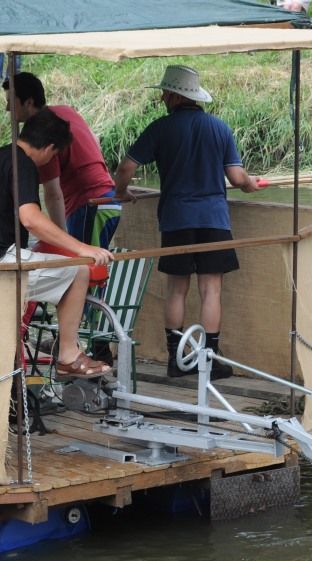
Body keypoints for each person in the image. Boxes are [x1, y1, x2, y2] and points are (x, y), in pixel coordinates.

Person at [112, 65, 260, 380]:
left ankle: (176, 360)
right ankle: (209, 360)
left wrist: (121, 192)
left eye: (165, 93)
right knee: (211, 291)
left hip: (176, 218)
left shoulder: (160, 129)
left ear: (174, 96)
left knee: (177, 289)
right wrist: (251, 184)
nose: (163, 97)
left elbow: (125, 168)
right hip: (213, 219)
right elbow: (236, 178)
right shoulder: (219, 128)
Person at [0, 108, 114, 379]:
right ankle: (69, 355)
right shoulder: (22, 163)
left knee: (64, 267)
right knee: (79, 270)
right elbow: (31, 218)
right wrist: (81, 248)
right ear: (50, 148)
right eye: (54, 155)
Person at [3, 72, 119, 362]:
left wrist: (63, 242)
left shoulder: (43, 132)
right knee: (81, 267)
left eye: (10, 102)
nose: (7, 110)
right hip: (107, 199)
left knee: (83, 268)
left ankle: (88, 348)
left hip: (89, 204)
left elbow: (53, 194)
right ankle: (75, 342)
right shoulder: (65, 111)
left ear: (28, 102)